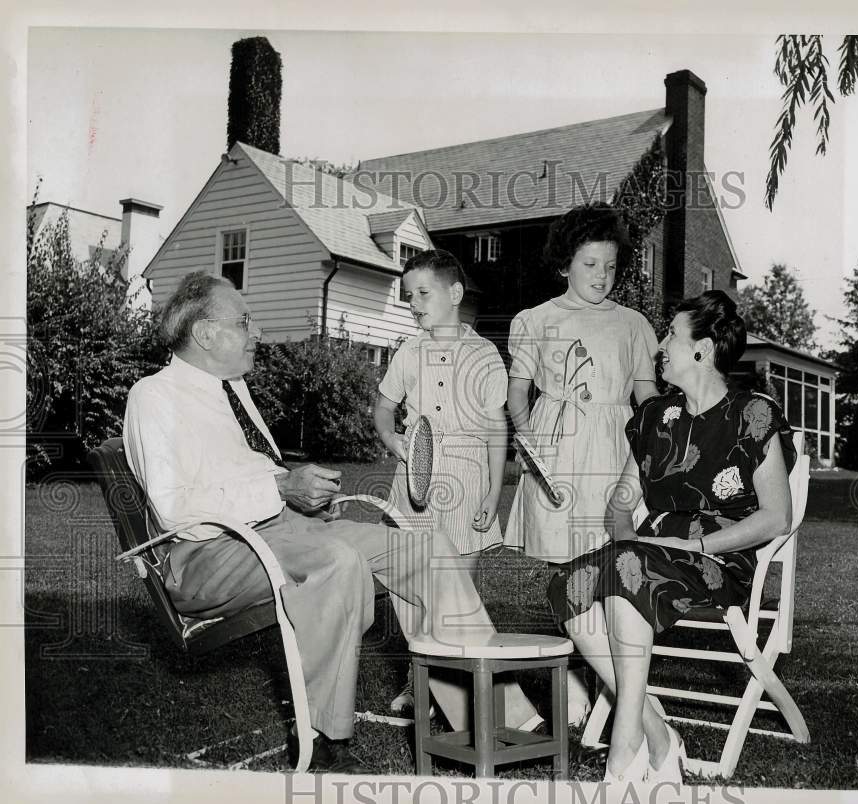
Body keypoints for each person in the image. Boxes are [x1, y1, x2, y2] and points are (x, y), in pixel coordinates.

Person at [123, 271, 539, 773]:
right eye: (244, 321)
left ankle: (498, 721)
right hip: (206, 554)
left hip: (275, 530)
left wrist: (302, 495)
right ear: (206, 334)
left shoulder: (230, 389)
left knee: (427, 550)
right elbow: (174, 509)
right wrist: (278, 489)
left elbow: (245, 470)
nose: (257, 332)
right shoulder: (155, 396)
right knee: (337, 561)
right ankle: (325, 738)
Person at [546, 290, 797, 783]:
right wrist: (622, 531)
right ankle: (658, 737)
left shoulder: (754, 415)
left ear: (702, 349)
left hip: (719, 557)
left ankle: (624, 754)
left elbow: (776, 517)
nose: (661, 345)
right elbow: (622, 498)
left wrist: (695, 546)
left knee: (626, 578)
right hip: (648, 552)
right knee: (566, 588)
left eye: (671, 336)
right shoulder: (654, 417)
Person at [504, 203, 660, 726]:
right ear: (565, 264)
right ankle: (575, 684)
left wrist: (655, 446)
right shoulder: (536, 319)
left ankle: (608, 686)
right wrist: (526, 441)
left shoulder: (634, 324)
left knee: (605, 566)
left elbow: (647, 398)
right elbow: (519, 390)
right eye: (591, 264)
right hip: (556, 449)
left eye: (611, 266)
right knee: (563, 567)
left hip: (613, 450)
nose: (602, 276)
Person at [373, 249, 539, 728]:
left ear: (455, 294)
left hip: (465, 477)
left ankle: (459, 684)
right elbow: (384, 409)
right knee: (409, 583)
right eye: (408, 297)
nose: (414, 304)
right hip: (414, 474)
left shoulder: (485, 354)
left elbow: (495, 429)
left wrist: (491, 493)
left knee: (456, 589)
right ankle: (417, 682)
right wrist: (392, 437)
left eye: (423, 293)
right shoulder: (408, 350)